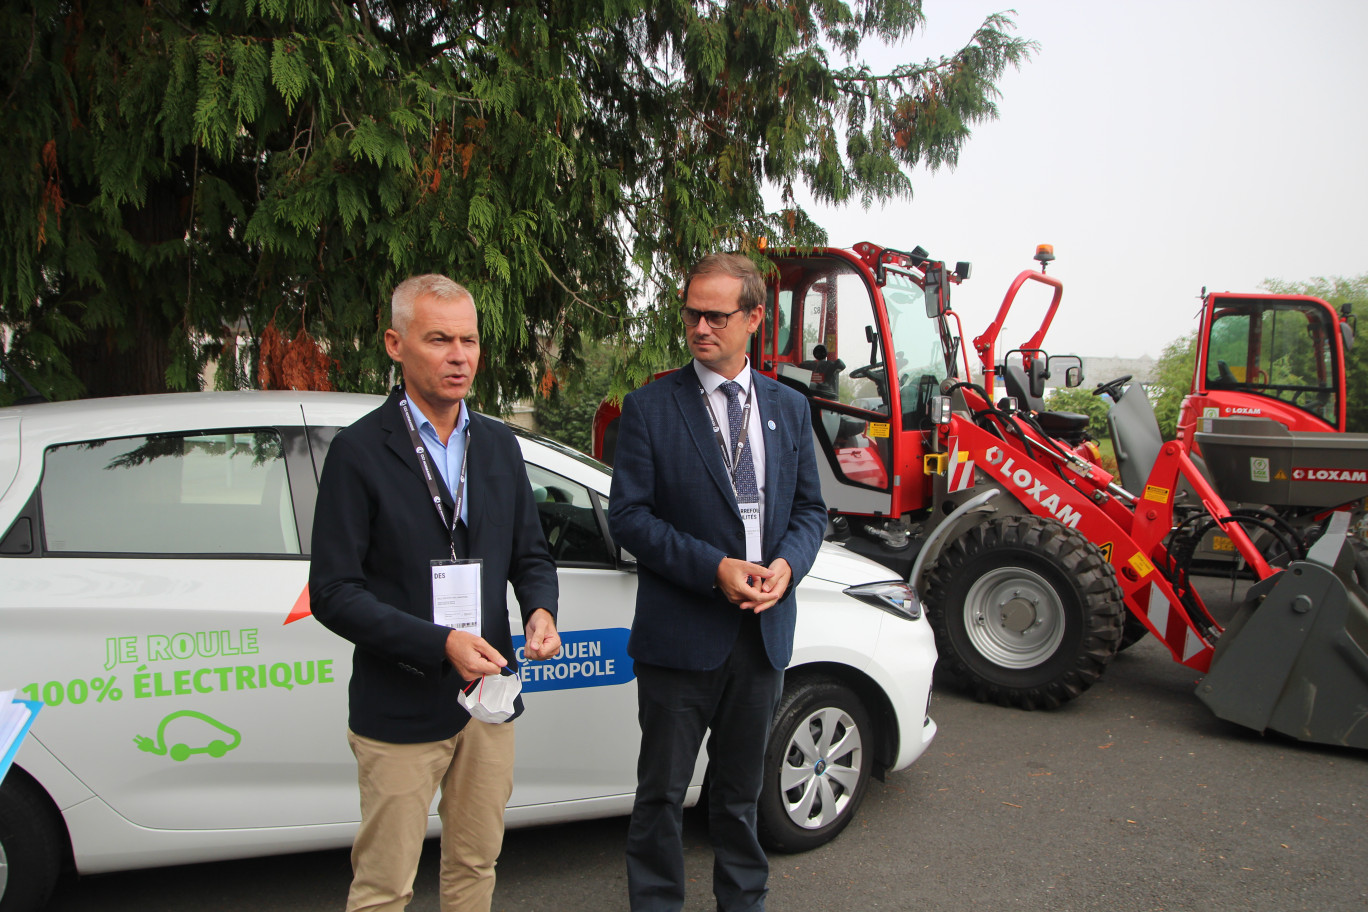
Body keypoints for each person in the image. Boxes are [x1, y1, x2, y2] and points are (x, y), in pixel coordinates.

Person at [310, 274, 561, 912]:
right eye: (439, 339)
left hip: (488, 700)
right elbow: (334, 592)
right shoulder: (358, 451)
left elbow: (531, 554)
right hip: (397, 705)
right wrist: (439, 642)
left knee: (476, 864)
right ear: (396, 344)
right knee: (384, 887)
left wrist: (540, 610)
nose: (459, 356)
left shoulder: (501, 445)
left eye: (469, 340)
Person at [608, 253, 826, 912]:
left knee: (739, 798)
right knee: (662, 798)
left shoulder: (789, 408)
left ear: (754, 318)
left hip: (761, 640)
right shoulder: (650, 407)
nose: (700, 327)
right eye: (692, 313)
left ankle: (744, 903)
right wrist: (714, 569)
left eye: (717, 315)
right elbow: (630, 519)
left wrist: (787, 565)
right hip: (680, 641)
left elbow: (812, 511)